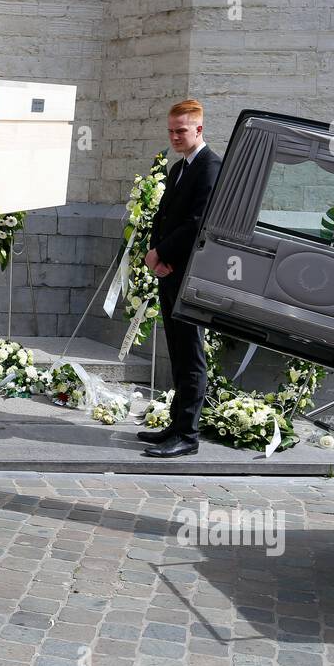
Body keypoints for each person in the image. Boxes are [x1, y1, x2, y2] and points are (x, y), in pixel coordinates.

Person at [139, 99, 223, 459]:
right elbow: (164, 217)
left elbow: (197, 223)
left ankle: (187, 434)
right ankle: (175, 426)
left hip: (190, 273)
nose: (174, 136)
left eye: (181, 130)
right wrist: (154, 251)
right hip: (170, 271)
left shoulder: (210, 167)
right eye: (171, 130)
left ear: (199, 130)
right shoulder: (178, 169)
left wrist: (164, 254)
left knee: (191, 355)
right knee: (176, 350)